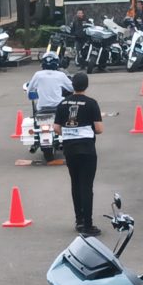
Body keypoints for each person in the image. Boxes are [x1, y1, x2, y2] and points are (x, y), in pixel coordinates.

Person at [54, 73, 104, 235]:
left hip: (70, 148)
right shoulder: (91, 103)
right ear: (86, 85)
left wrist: (70, 131)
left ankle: (79, 220)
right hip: (87, 148)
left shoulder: (62, 104)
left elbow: (56, 128)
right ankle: (88, 225)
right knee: (86, 186)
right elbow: (99, 129)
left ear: (72, 85)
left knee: (75, 184)